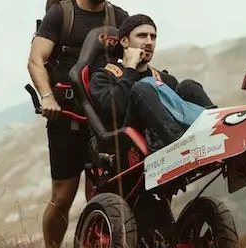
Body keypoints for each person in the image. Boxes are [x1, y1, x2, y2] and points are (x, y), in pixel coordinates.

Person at [27, 0, 130, 248]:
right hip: (67, 117)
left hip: (105, 118)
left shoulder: (118, 17)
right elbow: (36, 59)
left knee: (104, 192)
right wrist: (47, 96)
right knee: (63, 195)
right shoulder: (61, 15)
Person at [89, 14, 216, 151]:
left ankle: (219, 128)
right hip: (130, 143)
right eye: (142, 36)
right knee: (142, 88)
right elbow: (114, 109)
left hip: (166, 136)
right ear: (125, 41)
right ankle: (182, 145)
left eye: (153, 37)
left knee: (188, 86)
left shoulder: (164, 79)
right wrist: (131, 68)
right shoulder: (103, 76)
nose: (149, 42)